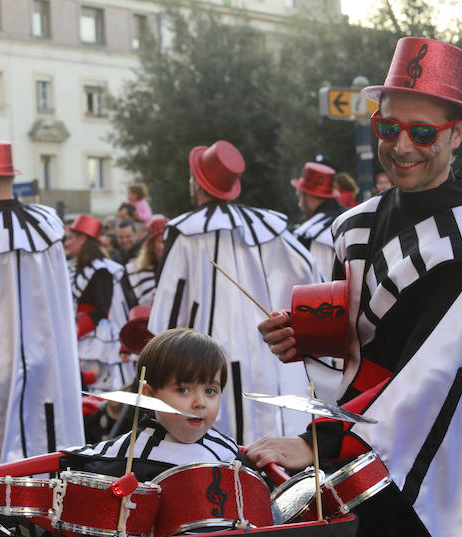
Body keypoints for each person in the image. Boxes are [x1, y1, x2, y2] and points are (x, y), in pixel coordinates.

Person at [250, 37, 462, 537]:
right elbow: (366, 347)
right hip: (368, 464)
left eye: (423, 131)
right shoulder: (356, 225)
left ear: (457, 133)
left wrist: (320, 443)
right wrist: (305, 336)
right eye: (388, 128)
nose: (403, 145)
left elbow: (429, 383)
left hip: (444, 484)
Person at [148, 140, 317, 445]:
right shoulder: (272, 228)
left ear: (196, 184)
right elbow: (311, 277)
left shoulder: (186, 233)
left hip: (204, 364)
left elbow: (167, 319)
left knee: (215, 452)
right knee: (271, 447)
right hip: (272, 357)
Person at [0, 140, 84, 532]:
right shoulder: (47, 226)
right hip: (54, 359)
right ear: (12, 177)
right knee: (52, 447)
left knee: (6, 457)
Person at [62, 328, 245, 482]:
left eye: (210, 391)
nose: (200, 403)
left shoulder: (227, 453)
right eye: (184, 390)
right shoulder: (121, 458)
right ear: (149, 395)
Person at [66, 214, 129, 392]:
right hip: (75, 332)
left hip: (95, 337)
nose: (68, 243)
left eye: (71, 238)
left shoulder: (102, 270)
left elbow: (101, 310)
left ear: (83, 239)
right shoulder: (72, 267)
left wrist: (76, 330)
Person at [291, 162, 344, 280]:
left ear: (309, 197)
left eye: (299, 197)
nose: (300, 205)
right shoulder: (354, 218)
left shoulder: (307, 234)